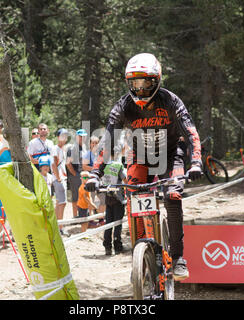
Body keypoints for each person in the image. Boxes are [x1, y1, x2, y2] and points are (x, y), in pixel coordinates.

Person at [85, 53, 202, 281]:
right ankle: (139, 259)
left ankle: (178, 258)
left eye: (145, 82)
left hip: (170, 154)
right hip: (140, 156)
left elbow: (191, 133)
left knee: (173, 195)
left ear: (156, 80)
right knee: (134, 197)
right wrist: (95, 173)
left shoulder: (170, 100)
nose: (139, 89)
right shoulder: (124, 105)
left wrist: (196, 161)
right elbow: (107, 140)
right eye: (134, 83)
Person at [102, 160, 127, 256]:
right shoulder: (118, 165)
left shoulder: (105, 165)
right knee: (117, 223)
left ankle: (107, 247)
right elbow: (125, 180)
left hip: (108, 198)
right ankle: (117, 247)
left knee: (108, 223)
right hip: (118, 198)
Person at [51, 128, 69, 236]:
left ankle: (57, 226)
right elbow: (53, 164)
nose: (64, 138)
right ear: (58, 137)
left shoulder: (63, 149)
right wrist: (58, 178)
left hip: (61, 178)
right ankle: (60, 228)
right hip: (59, 179)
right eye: (62, 135)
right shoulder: (56, 148)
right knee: (62, 203)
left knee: (59, 203)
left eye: (66, 136)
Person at [66, 129, 87, 218]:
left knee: (84, 194)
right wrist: (75, 174)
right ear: (77, 137)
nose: (82, 138)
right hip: (75, 176)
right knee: (75, 197)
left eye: (84, 136)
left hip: (83, 175)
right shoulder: (72, 148)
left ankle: (83, 215)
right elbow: (68, 163)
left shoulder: (84, 147)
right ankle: (75, 217)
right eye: (80, 136)